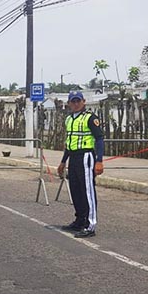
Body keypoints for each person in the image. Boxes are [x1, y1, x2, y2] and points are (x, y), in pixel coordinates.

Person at [57, 91, 104, 238]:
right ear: (69, 103)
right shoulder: (69, 119)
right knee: (75, 190)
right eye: (73, 101)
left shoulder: (90, 118)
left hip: (86, 156)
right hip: (73, 156)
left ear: (83, 102)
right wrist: (63, 161)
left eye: (78, 101)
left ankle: (90, 224)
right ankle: (80, 220)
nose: (76, 104)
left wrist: (99, 160)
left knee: (87, 191)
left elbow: (100, 139)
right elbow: (69, 142)